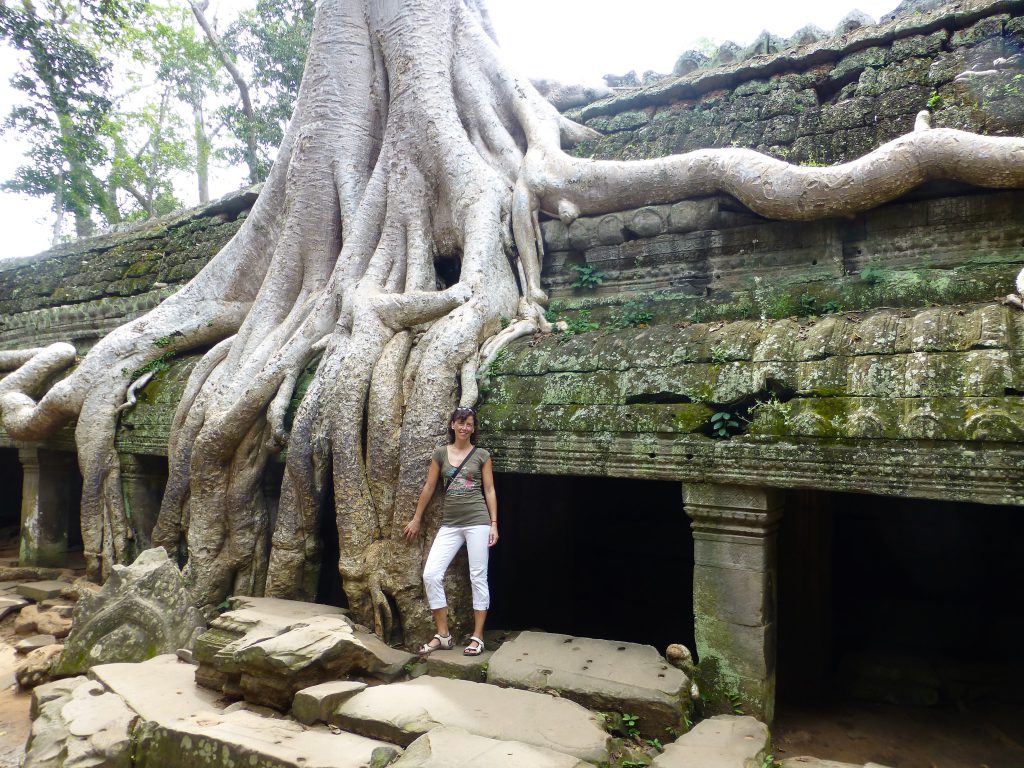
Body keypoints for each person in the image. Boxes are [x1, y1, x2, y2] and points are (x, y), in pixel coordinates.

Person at [403, 405, 499, 656]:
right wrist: (416, 518)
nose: (465, 427)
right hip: (450, 524)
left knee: (478, 576)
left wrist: (494, 523)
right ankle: (443, 634)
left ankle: (477, 637)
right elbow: (429, 486)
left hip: (478, 521)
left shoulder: (482, 455)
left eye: (469, 424)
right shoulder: (440, 453)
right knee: (431, 574)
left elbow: (489, 490)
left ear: (473, 428)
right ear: (452, 425)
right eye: (461, 423)